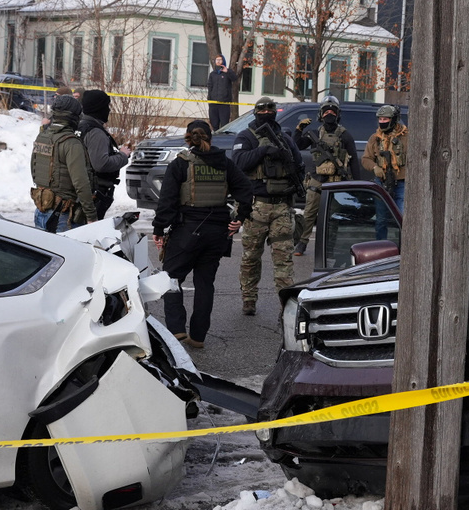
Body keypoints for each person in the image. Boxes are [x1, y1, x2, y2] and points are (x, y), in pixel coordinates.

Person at [152, 121, 253, 349]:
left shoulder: (180, 164)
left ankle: (177, 330)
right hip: (218, 232)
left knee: (171, 278)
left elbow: (167, 200)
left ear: (188, 138)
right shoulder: (225, 163)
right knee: (205, 283)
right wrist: (240, 217)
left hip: (188, 230)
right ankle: (198, 336)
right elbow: (245, 189)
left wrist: (159, 229)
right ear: (210, 137)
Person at [233, 97, 304, 316]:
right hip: (256, 206)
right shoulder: (245, 137)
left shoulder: (284, 139)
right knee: (251, 257)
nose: (266, 113)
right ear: (255, 113)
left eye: (270, 110)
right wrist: (263, 150)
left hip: (281, 207)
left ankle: (287, 306)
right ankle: (249, 299)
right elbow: (239, 163)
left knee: (283, 259)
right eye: (262, 110)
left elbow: (298, 166)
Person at [294, 95, 357, 256]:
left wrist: (356, 184)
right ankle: (301, 244)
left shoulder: (345, 135)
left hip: (336, 182)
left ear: (338, 114)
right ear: (320, 114)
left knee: (333, 218)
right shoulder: (314, 133)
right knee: (309, 214)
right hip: (317, 180)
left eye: (333, 111)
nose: (329, 114)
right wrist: (298, 130)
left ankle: (329, 247)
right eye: (326, 111)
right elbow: (297, 146)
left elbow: (354, 161)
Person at [30, 95, 97, 233]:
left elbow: (34, 170)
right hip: (62, 216)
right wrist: (91, 216)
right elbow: (81, 183)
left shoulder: (42, 137)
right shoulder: (70, 143)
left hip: (42, 210)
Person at [78, 90, 132, 219]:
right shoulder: (95, 132)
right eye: (107, 106)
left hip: (84, 190)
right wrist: (123, 155)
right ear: (99, 108)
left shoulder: (80, 126)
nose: (108, 110)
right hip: (94, 192)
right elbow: (101, 164)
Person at [362, 104, 408, 240]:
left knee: (402, 218)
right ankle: (381, 247)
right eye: (380, 119)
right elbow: (365, 159)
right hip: (381, 183)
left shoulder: (406, 137)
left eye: (385, 119)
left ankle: (404, 248)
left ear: (393, 119)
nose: (382, 122)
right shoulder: (375, 138)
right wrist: (375, 167)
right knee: (381, 220)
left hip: (401, 182)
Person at [207, 54, 240, 131]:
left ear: (223, 61)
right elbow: (210, 86)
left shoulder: (228, 72)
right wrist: (209, 98)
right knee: (214, 124)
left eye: (220, 60)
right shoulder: (212, 74)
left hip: (224, 104)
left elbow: (235, 79)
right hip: (213, 104)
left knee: (224, 125)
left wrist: (227, 72)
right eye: (217, 60)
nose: (218, 61)